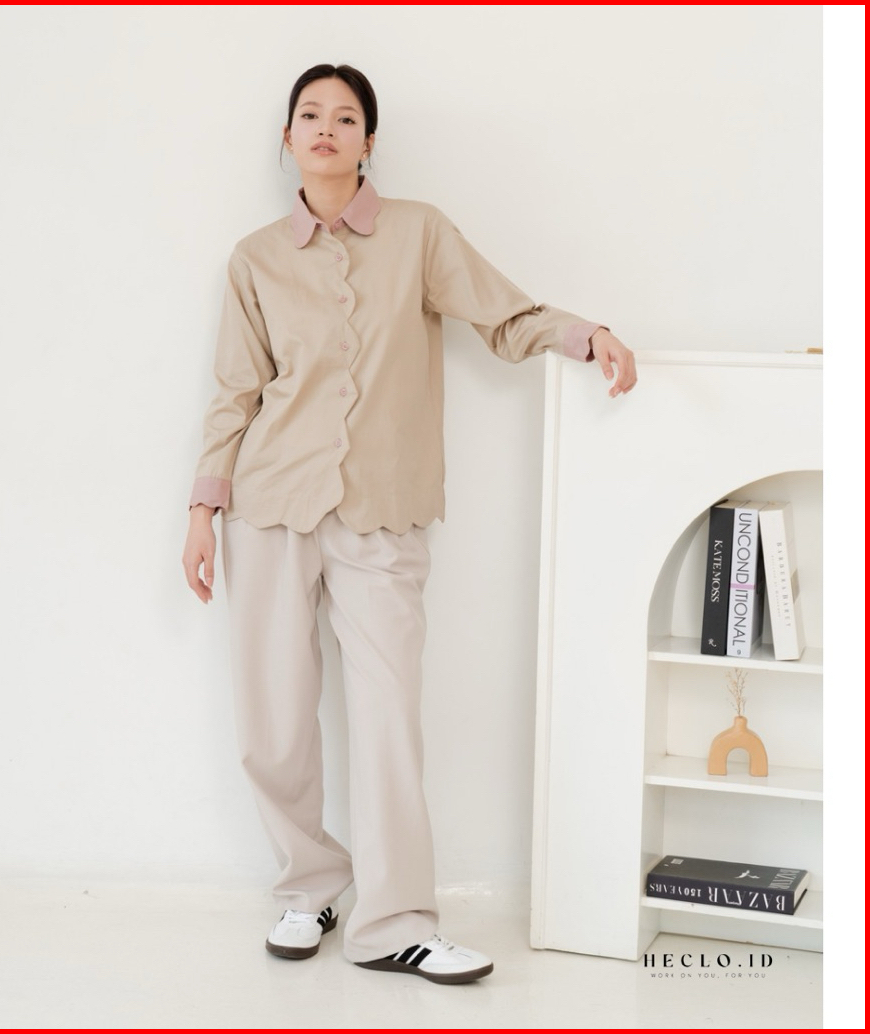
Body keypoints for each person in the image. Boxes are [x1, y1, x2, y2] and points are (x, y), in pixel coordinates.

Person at [182, 63, 637, 985]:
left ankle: (394, 920)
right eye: (310, 115)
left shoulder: (419, 233)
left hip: (382, 512)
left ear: (368, 141)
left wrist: (582, 335)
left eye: (346, 117)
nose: (326, 128)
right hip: (269, 508)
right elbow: (235, 392)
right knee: (273, 720)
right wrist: (202, 510)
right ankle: (309, 884)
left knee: (388, 716)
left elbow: (501, 313)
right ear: (287, 139)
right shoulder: (254, 258)